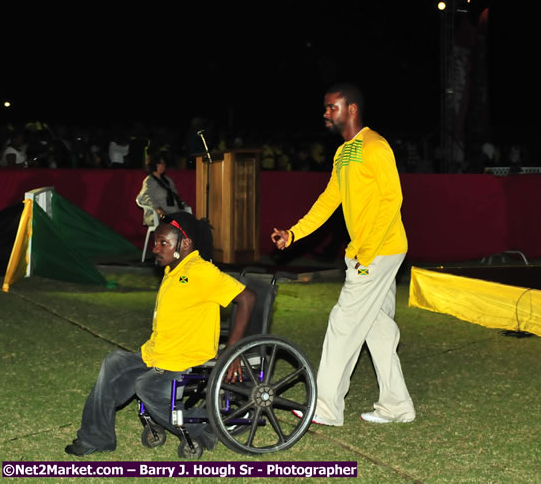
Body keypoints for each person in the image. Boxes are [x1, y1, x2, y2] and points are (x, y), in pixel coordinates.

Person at [271, 83, 415, 426]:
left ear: (351, 110)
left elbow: (392, 199)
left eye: (331, 107)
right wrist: (294, 233)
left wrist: (366, 253)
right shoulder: (343, 153)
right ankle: (397, 406)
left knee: (342, 322)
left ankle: (326, 407)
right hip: (368, 252)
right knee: (377, 330)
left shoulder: (375, 145)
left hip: (379, 251)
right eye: (325, 108)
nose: (325, 113)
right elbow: (327, 202)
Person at [65, 212, 256, 456]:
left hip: (184, 358)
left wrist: (233, 349)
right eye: (155, 242)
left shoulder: (200, 271)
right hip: (159, 353)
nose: (155, 248)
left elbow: (247, 297)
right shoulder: (174, 269)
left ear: (184, 244)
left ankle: (209, 425)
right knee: (114, 362)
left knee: (147, 386)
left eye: (162, 242)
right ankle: (97, 437)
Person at [136, 153, 188, 224]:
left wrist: (183, 206)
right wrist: (159, 209)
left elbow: (176, 196)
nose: (164, 165)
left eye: (164, 163)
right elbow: (147, 197)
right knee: (177, 221)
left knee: (188, 220)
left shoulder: (168, 180)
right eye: (162, 163)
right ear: (155, 165)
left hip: (173, 211)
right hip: (157, 214)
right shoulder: (149, 181)